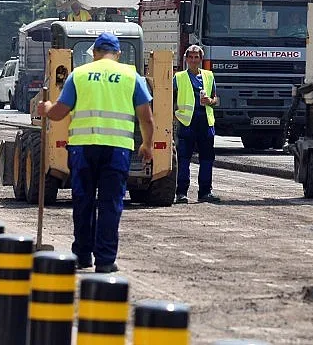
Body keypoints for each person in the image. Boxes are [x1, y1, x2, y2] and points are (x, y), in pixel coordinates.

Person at [38, 32, 154, 273]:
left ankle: (81, 255)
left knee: (84, 201)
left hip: (83, 148)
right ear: (118, 53)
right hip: (117, 149)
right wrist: (147, 145)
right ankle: (105, 261)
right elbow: (146, 117)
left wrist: (46, 108)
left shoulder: (78, 75)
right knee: (110, 203)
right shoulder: (132, 76)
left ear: (94, 52)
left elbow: (59, 113)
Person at [173, 44, 220, 204]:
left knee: (207, 158)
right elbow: (170, 99)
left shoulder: (209, 76)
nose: (193, 60)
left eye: (196, 57)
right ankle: (181, 193)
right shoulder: (178, 78)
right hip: (187, 123)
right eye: (190, 57)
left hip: (205, 122)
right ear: (186, 59)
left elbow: (216, 99)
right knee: (184, 159)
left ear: (200, 59)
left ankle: (205, 192)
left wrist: (210, 101)